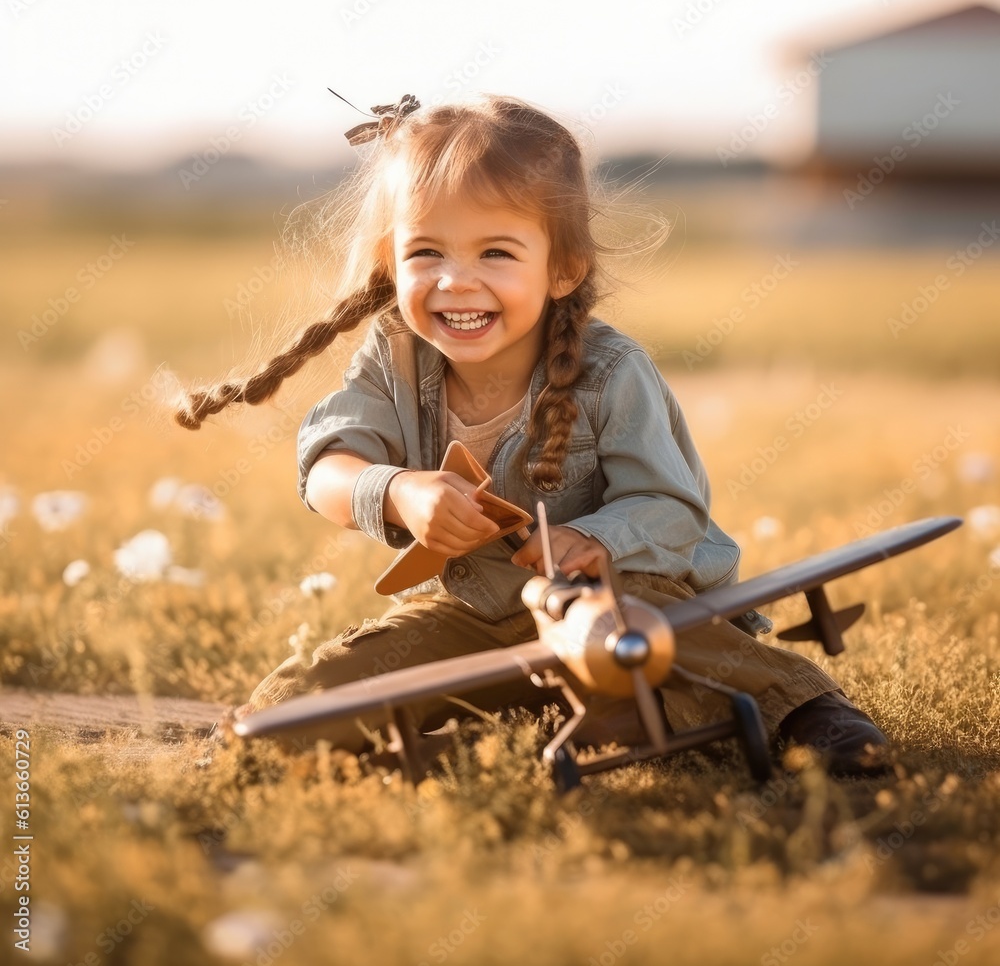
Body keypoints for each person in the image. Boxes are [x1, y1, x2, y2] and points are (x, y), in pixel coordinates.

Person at [177, 93, 887, 775]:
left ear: (563, 267)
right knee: (338, 677)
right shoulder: (393, 358)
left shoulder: (612, 373)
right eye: (427, 252)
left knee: (665, 629)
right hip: (473, 613)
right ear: (392, 263)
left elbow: (673, 510)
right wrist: (396, 490)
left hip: (618, 601)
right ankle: (273, 736)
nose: (456, 281)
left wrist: (597, 541)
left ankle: (803, 707)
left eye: (496, 254)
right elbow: (326, 464)